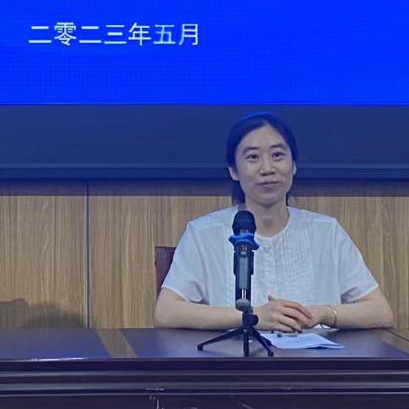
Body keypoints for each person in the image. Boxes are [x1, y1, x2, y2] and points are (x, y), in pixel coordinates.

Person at [155, 113, 395, 333]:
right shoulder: (203, 234)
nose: (267, 168)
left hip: (313, 364)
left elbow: (380, 312)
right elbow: (166, 312)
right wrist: (252, 317)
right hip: (233, 364)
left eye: (278, 155)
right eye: (253, 157)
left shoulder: (326, 232)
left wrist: (325, 313)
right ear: (234, 171)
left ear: (294, 165)